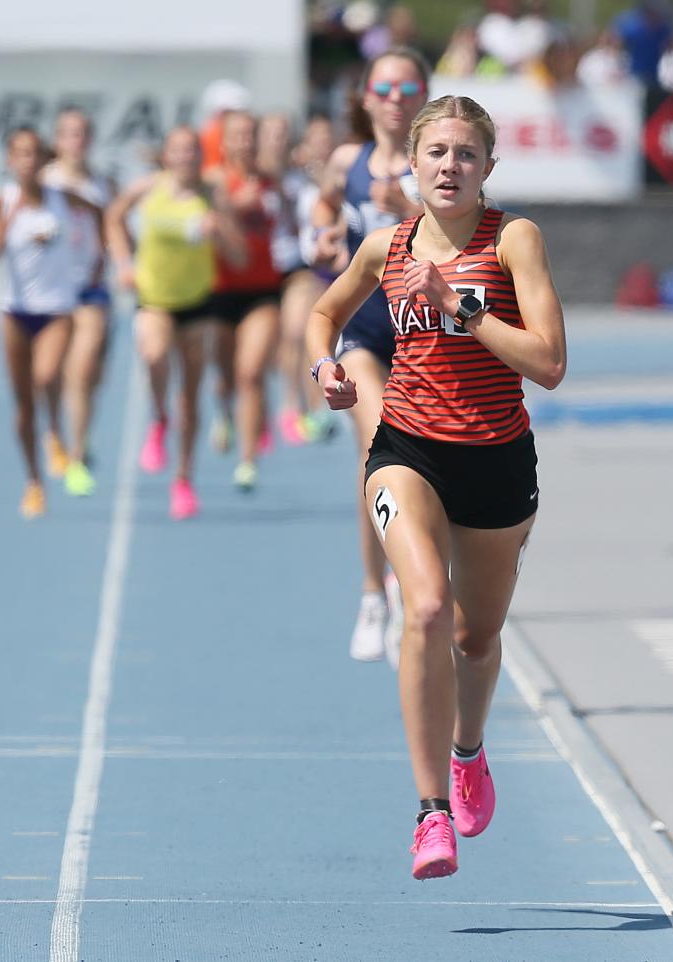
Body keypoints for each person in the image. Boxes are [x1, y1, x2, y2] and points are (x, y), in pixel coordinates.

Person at [306, 94, 566, 879]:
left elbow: (549, 363)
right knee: (424, 607)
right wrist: (324, 366)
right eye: (437, 154)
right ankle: (429, 814)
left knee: (475, 638)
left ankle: (468, 751)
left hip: (496, 457)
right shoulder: (386, 244)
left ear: (488, 167)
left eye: (465, 154)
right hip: (407, 449)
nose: (450, 166)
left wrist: (462, 308)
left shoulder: (513, 239)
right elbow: (325, 309)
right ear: (411, 165)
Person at [312, 47, 431, 664]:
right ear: (365, 97)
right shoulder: (347, 160)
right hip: (362, 331)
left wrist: (408, 210)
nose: (393, 96)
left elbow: (471, 233)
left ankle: (407, 574)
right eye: (382, 86)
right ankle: (374, 592)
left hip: (425, 337)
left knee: (422, 468)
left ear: (423, 96)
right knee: (375, 451)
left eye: (406, 86)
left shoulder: (436, 163)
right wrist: (327, 234)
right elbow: (326, 207)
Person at [106, 126, 246, 519]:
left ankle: (183, 478)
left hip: (198, 301)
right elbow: (113, 216)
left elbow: (239, 258)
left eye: (192, 151)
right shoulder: (147, 188)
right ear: (166, 156)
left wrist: (219, 232)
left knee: (190, 391)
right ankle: (158, 419)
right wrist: (122, 263)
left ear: (201, 157)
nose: (186, 157)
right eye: (178, 151)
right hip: (154, 298)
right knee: (153, 355)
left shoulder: (211, 195)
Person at [0, 127, 100, 519]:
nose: (28, 162)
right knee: (22, 406)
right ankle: (33, 482)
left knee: (46, 377)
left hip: (57, 310)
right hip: (15, 311)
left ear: (44, 161)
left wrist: (99, 258)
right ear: (11, 162)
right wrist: (8, 220)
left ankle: (55, 435)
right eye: (20, 155)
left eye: (34, 154)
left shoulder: (62, 199)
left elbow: (101, 213)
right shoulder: (3, 202)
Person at [206, 110, 285, 492]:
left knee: (250, 372)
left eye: (250, 135)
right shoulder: (215, 181)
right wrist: (235, 205)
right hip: (219, 290)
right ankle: (223, 413)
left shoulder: (271, 180)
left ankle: (248, 460)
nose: (245, 142)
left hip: (263, 289)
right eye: (236, 136)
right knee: (225, 376)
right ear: (223, 143)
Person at [42, 108, 115, 496]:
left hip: (92, 288)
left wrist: (120, 259)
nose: (77, 141)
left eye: (83, 132)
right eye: (69, 133)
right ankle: (69, 446)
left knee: (88, 372)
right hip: (51, 292)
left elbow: (115, 231)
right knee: (57, 373)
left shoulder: (103, 183)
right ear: (57, 141)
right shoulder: (43, 182)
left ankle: (79, 447)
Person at [264, 113, 336, 446]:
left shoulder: (321, 176)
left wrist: (317, 169)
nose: (320, 145)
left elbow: (332, 197)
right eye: (315, 139)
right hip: (272, 264)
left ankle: (304, 405)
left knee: (299, 332)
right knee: (283, 338)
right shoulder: (278, 175)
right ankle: (286, 403)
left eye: (326, 139)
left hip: (307, 265)